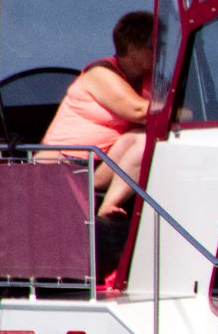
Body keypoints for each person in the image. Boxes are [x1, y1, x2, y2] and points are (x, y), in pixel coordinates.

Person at [39, 11, 153, 218]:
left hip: (98, 164)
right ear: (132, 49)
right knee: (144, 136)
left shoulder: (148, 79)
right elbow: (138, 110)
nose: (160, 53)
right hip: (65, 166)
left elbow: (168, 110)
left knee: (144, 138)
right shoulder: (99, 73)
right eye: (153, 47)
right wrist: (183, 112)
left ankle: (108, 206)